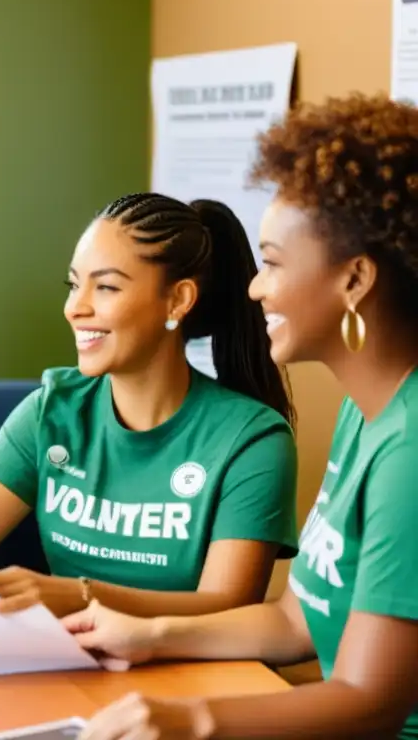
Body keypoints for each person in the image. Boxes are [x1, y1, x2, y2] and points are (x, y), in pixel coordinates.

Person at [68, 94, 418, 739]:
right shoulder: (363, 414)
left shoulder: (412, 451)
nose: (255, 287)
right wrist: (151, 635)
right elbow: (297, 622)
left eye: (275, 263)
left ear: (356, 280)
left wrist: (190, 721)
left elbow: (372, 700)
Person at [0, 192, 299, 619]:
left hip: (186, 678)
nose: (74, 308)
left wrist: (80, 596)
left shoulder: (252, 440)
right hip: (67, 664)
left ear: (177, 300)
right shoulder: (51, 411)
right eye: (74, 284)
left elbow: (226, 606)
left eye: (106, 288)